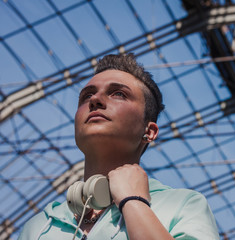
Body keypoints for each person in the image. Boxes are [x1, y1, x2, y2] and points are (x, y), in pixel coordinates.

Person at [19, 54, 220, 239]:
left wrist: (133, 201)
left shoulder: (184, 205)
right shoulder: (38, 226)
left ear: (149, 132)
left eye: (118, 94)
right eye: (86, 96)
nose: (95, 100)